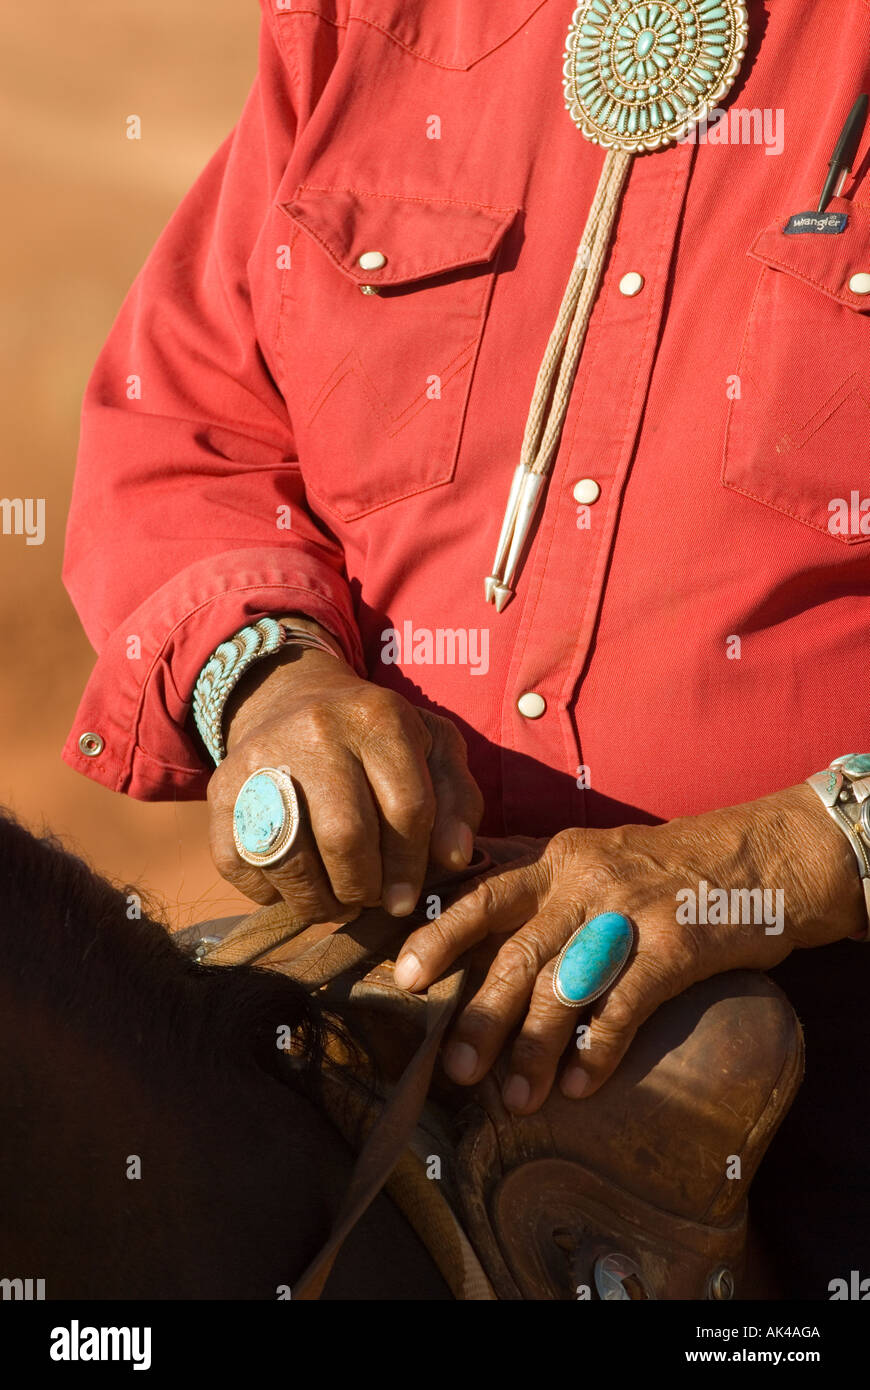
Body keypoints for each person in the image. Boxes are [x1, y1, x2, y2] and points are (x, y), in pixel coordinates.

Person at [63, 1, 870, 1297]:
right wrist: (273, 675)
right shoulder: (375, 24)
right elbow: (193, 412)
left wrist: (790, 851)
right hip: (398, 976)